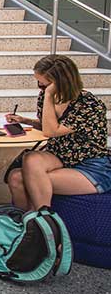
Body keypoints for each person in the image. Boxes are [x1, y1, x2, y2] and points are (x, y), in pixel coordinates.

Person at [6, 55, 111, 210]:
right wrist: (24, 120)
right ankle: (28, 222)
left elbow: (51, 131)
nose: (40, 87)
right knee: (23, 167)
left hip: (90, 164)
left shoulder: (88, 104)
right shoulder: (47, 96)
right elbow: (49, 126)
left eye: (43, 85)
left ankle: (42, 221)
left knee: (24, 179)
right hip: (61, 156)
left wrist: (48, 95)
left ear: (60, 83)